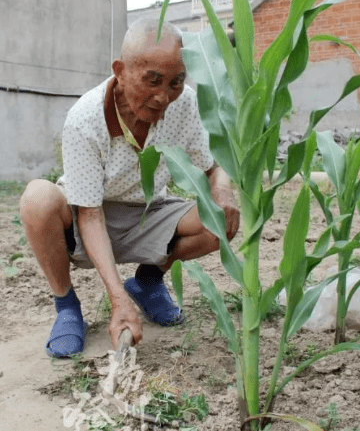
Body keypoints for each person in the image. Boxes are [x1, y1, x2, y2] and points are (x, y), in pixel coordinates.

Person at [19, 18, 239, 358]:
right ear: (120, 71)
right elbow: (90, 216)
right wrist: (116, 299)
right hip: (88, 215)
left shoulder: (187, 105)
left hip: (149, 214)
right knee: (37, 199)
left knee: (220, 218)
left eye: (176, 82)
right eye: (152, 80)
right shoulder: (85, 118)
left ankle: (148, 281)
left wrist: (222, 189)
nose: (163, 96)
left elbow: (215, 164)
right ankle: (66, 305)